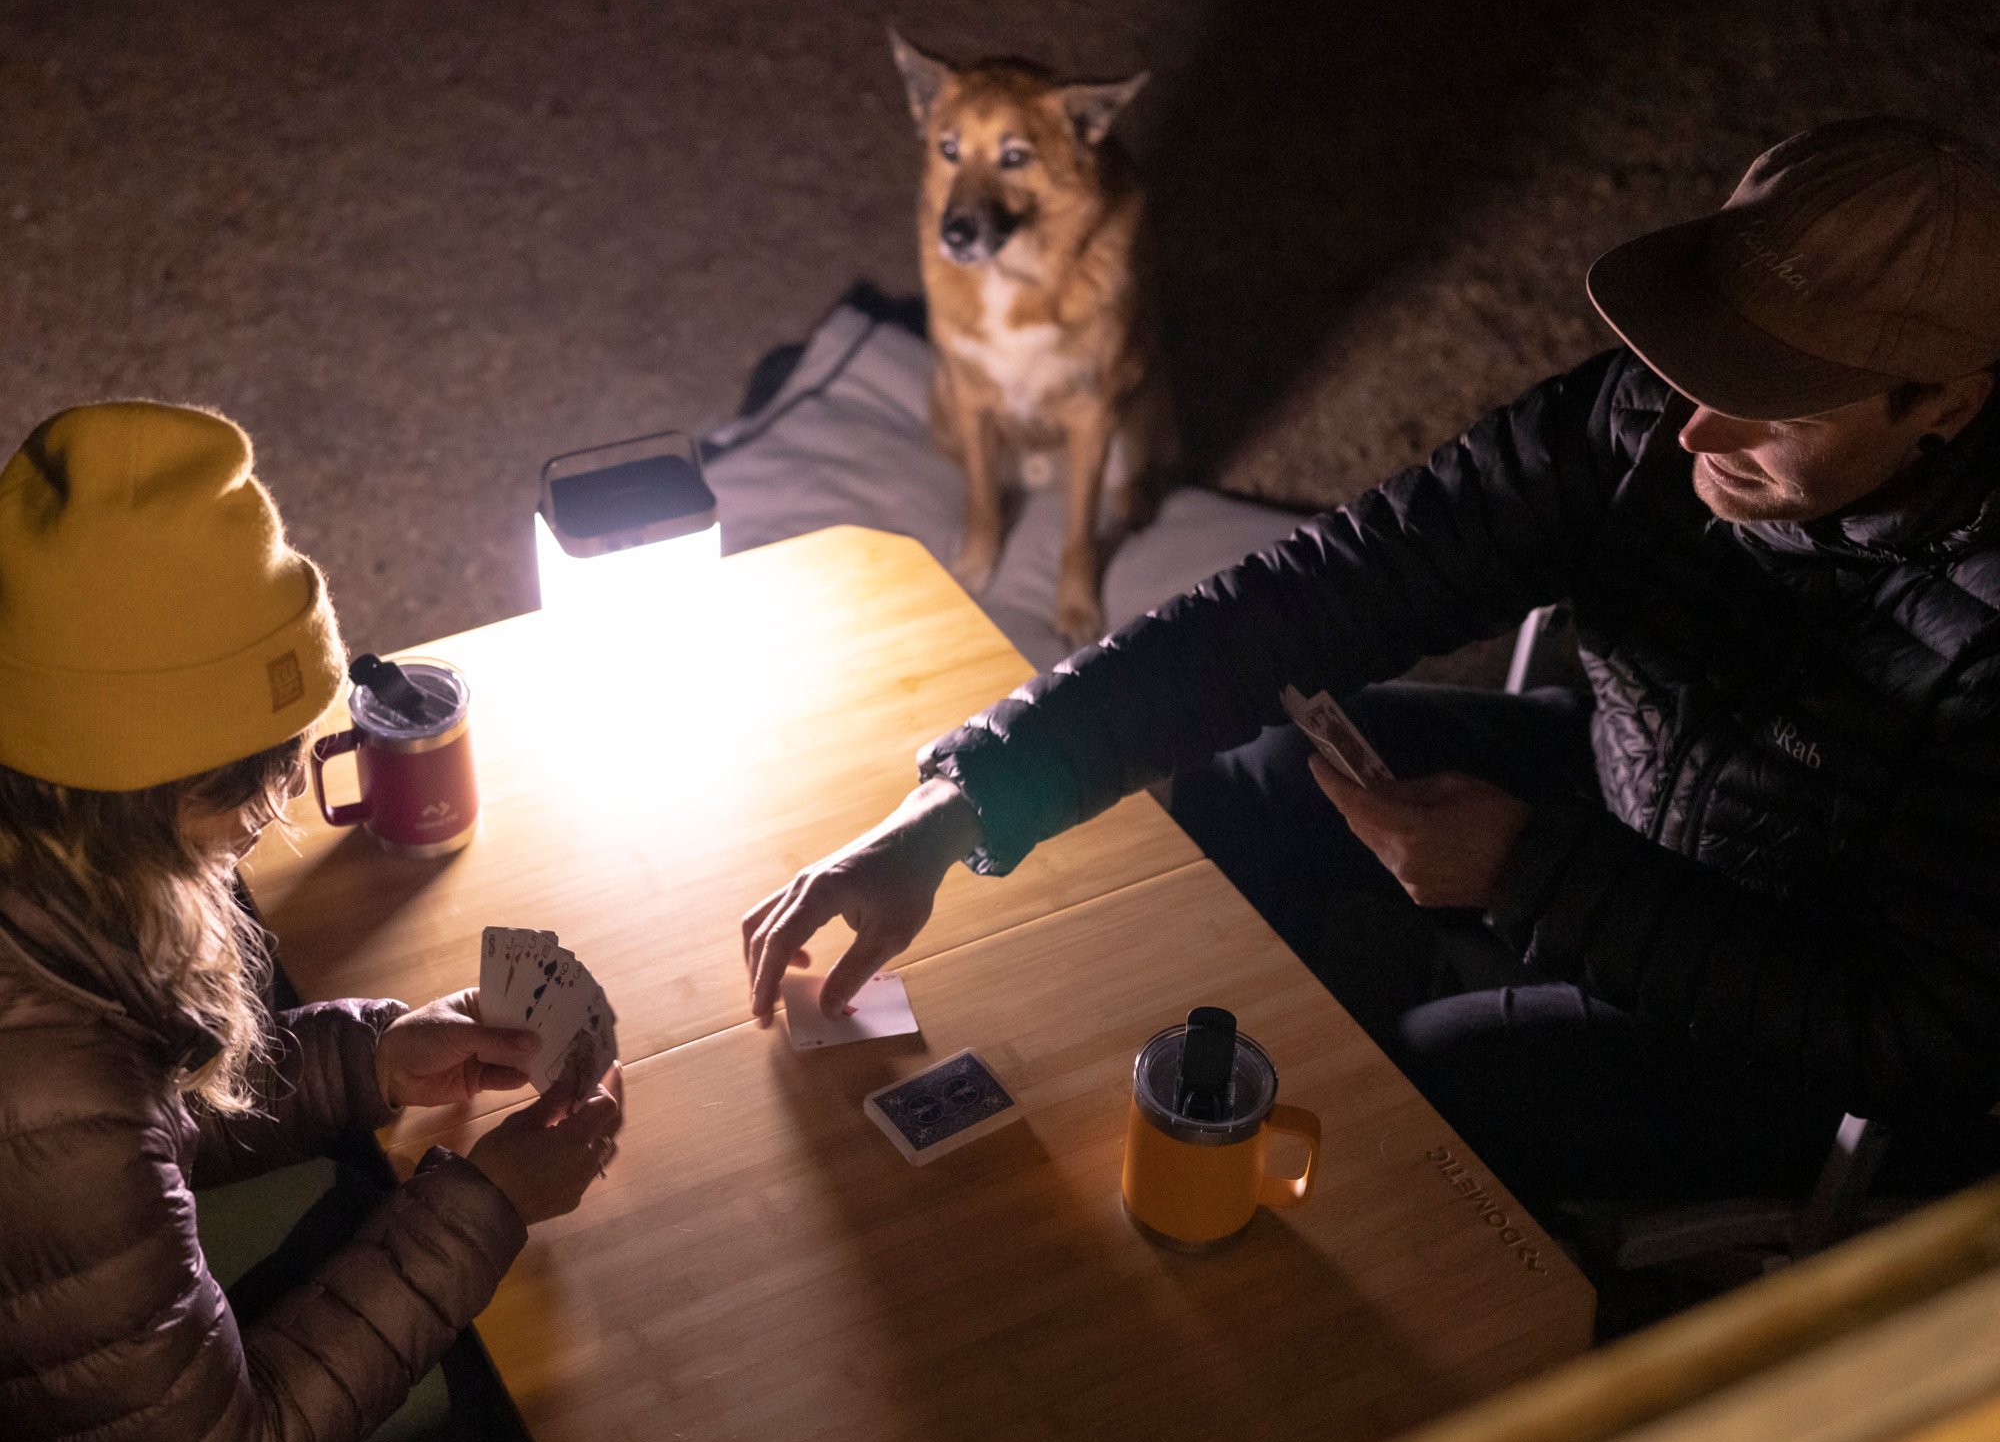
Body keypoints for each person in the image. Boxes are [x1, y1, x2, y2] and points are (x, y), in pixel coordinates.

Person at [744, 117, 2000, 1225]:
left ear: (1941, 398)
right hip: (1630, 786)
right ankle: (1270, 1060)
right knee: (1259, 763)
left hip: (1803, 1012)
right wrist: (967, 793)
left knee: (1415, 1099)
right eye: (1698, 356)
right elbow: (1322, 591)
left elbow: (1925, 1037)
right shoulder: (1645, 417)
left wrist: (1532, 874)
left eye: (1771, 404)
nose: (1692, 428)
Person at [0, 401, 623, 1442]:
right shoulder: (36, 1078)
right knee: (499, 1395)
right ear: (151, 795)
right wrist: (488, 1201)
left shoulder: (48, 876)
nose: (278, 804)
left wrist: (365, 1060)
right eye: (263, 775)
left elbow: (116, 1144)